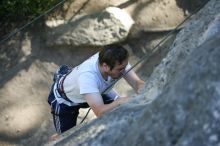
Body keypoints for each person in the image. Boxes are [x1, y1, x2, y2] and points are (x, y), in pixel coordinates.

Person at [47, 44, 145, 135]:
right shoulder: (88, 77)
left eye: (125, 66)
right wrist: (120, 101)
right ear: (105, 66)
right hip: (65, 101)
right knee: (65, 137)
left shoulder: (117, 61)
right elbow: (100, 112)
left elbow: (137, 83)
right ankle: (56, 138)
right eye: (120, 69)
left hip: (96, 91)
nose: (124, 71)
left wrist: (143, 89)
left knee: (119, 109)